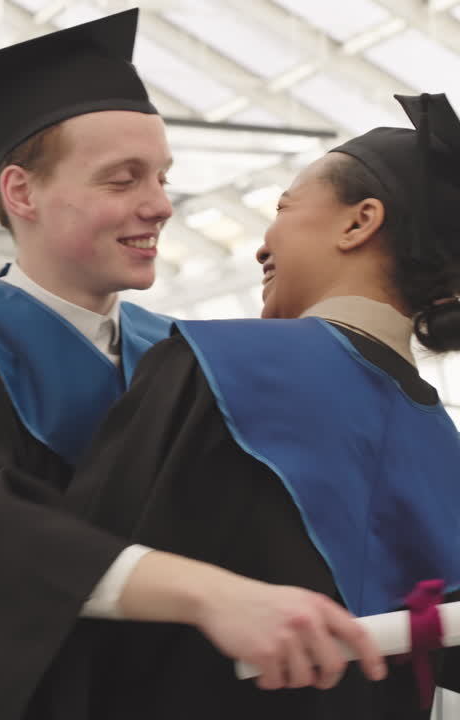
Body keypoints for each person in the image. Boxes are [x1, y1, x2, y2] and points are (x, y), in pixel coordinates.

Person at [0, 8, 382, 720]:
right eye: (124, 180)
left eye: (162, 177)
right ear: (21, 192)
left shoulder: (189, 359)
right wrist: (207, 593)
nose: (160, 206)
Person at [52, 92, 460, 718]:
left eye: (283, 209)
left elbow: (76, 570)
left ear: (359, 223)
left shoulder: (223, 367)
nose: (260, 247)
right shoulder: (439, 439)